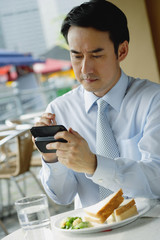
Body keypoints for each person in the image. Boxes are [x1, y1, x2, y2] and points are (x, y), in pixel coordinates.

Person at [35, 0, 160, 209]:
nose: (85, 68)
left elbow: (157, 178)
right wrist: (50, 158)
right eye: (76, 56)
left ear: (121, 51)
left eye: (96, 55)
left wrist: (94, 165)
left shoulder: (154, 100)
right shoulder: (58, 111)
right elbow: (62, 197)